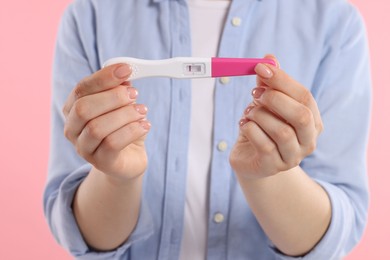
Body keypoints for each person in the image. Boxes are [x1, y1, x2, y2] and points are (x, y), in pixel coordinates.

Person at [44, 0, 371, 259]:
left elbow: (333, 236)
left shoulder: (335, 23)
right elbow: (81, 234)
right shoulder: (90, 15)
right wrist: (116, 176)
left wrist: (268, 175)